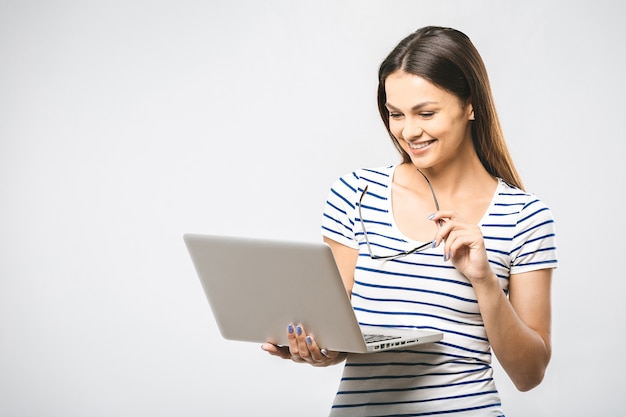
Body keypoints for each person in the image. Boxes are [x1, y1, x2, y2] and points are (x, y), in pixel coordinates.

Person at [262, 25, 558, 416]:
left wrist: (484, 282)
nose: (408, 131)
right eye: (395, 114)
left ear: (471, 105)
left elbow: (529, 374)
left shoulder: (523, 217)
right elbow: (340, 336)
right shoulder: (355, 194)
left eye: (426, 113)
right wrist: (317, 350)